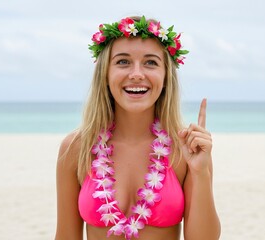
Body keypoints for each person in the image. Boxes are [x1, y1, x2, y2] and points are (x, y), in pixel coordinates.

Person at [55, 15, 221, 240]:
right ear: (105, 74)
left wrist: (200, 173)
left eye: (150, 62)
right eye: (123, 61)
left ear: (165, 77)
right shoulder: (76, 147)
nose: (136, 74)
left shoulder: (186, 148)